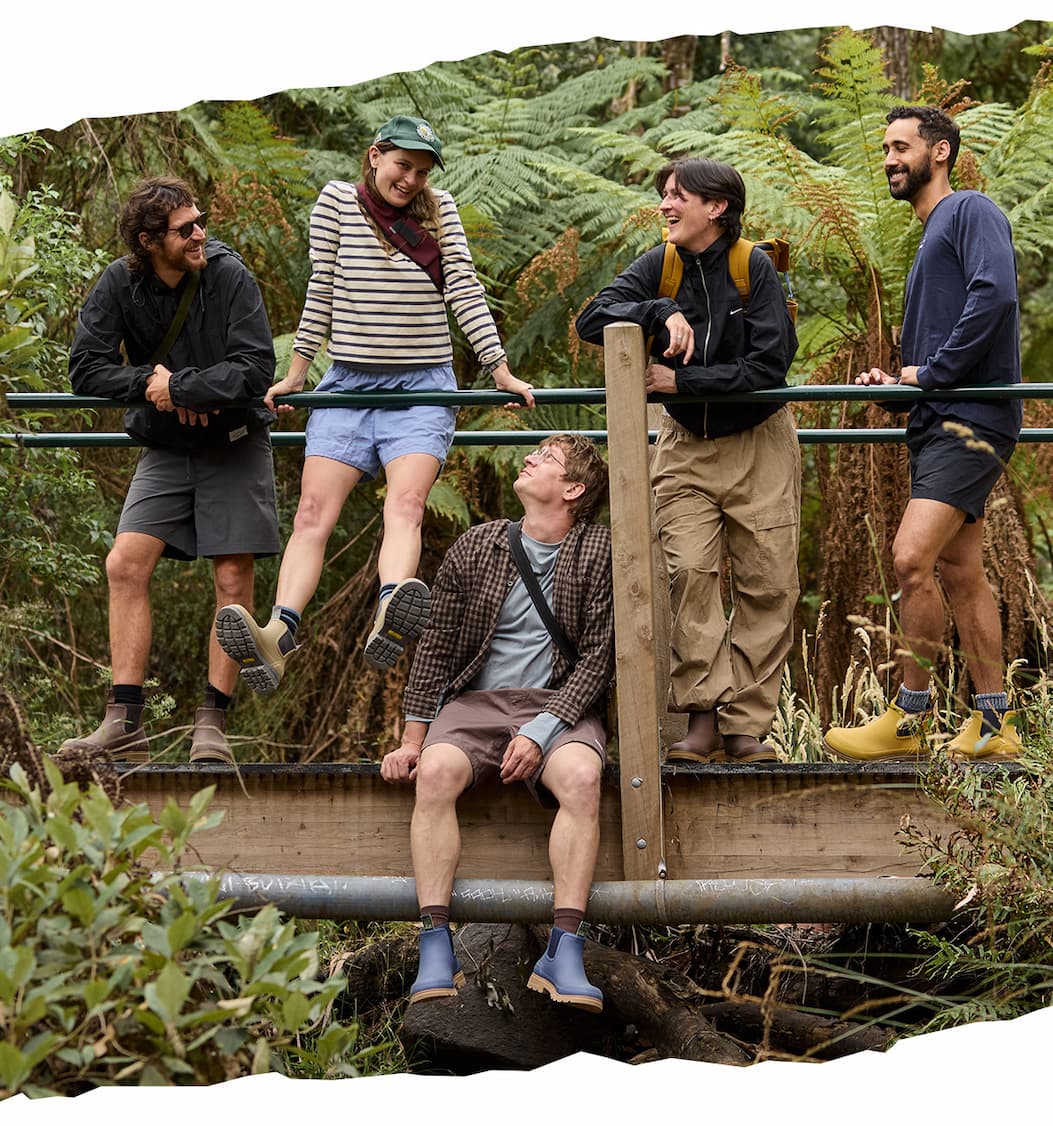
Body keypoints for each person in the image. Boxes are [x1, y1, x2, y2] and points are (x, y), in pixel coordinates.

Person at [215, 115, 535, 689]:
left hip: (422, 388)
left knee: (407, 505)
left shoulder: (441, 211)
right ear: (374, 156)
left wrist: (500, 369)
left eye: (421, 171)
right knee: (313, 514)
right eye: (402, 166)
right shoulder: (337, 203)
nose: (410, 180)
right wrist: (296, 374)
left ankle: (393, 607)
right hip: (349, 386)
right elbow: (321, 290)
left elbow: (463, 286)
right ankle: (278, 632)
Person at [576, 157, 800, 764]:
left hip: (759, 447)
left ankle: (745, 725)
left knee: (767, 583)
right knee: (690, 576)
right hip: (684, 452)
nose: (665, 205)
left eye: (678, 196)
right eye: (664, 195)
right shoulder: (663, 265)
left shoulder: (753, 267)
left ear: (716, 207)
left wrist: (682, 382)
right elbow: (591, 318)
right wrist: (657, 311)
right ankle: (700, 717)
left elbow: (768, 369)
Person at [380, 434, 613, 1012]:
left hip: (561, 702)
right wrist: (412, 739)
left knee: (583, 778)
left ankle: (564, 950)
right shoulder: (478, 544)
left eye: (546, 458)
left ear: (572, 490)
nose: (529, 457)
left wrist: (541, 730)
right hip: (476, 705)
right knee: (435, 774)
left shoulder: (600, 550)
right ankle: (435, 945)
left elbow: (600, 658)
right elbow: (435, 647)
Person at [824, 107, 1024, 764]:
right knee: (959, 572)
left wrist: (931, 372)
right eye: (883, 146)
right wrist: (899, 382)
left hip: (969, 420)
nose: (887, 157)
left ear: (938, 153)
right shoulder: (927, 240)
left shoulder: (969, 211)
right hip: (940, 418)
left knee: (910, 558)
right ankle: (994, 724)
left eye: (900, 146)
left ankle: (908, 718)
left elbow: (993, 297)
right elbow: (938, 350)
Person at [62, 176, 279, 764]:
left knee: (232, 579)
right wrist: (154, 387)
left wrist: (183, 385)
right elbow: (86, 368)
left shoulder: (228, 275)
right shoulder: (121, 282)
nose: (200, 234)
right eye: (186, 229)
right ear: (149, 240)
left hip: (233, 441)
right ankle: (122, 717)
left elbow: (256, 367)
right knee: (125, 563)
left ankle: (212, 722)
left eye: (201, 221)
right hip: (166, 447)